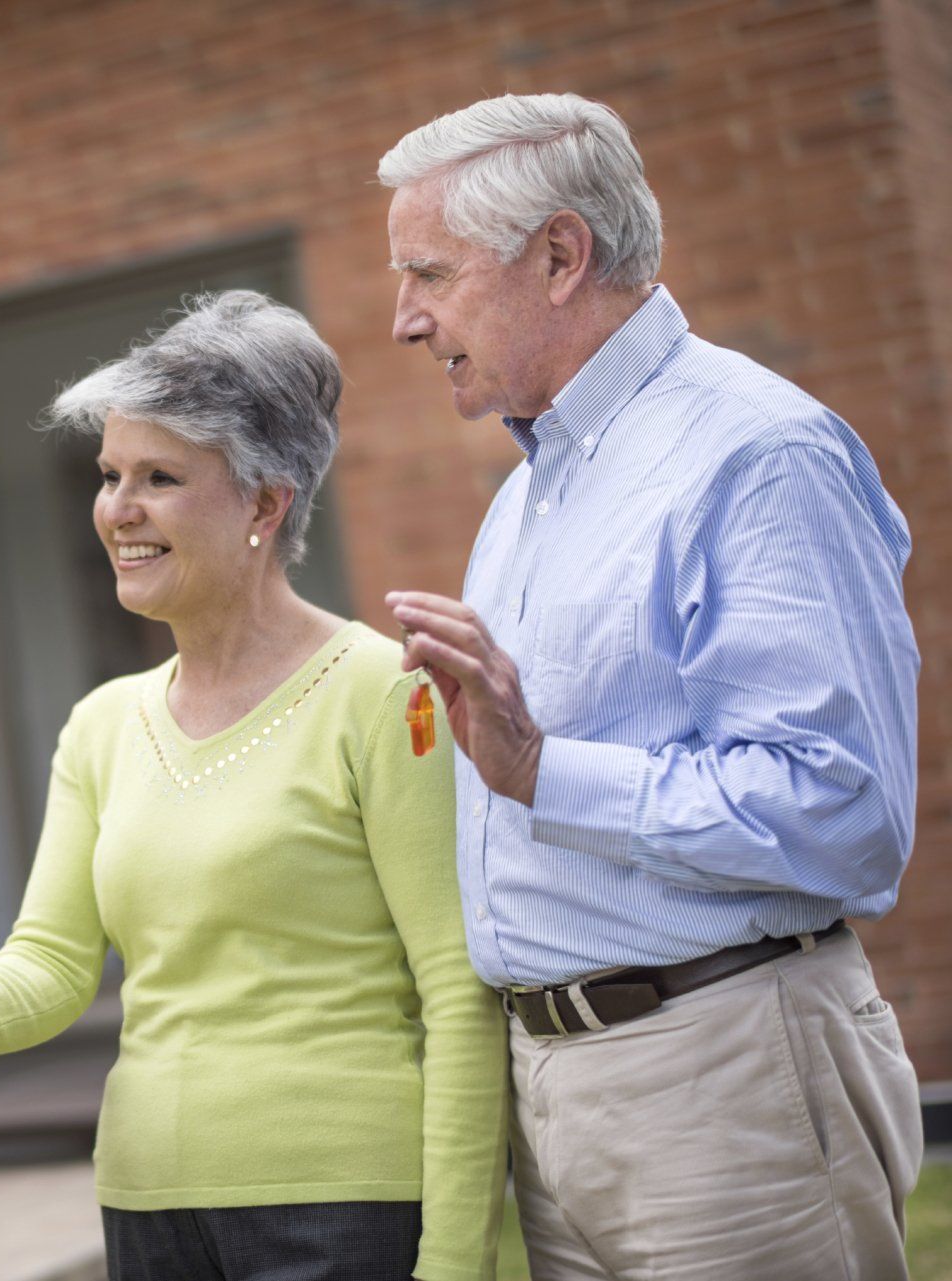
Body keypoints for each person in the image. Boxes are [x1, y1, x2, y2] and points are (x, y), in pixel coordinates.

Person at [0, 293, 508, 1281]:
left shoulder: (380, 690)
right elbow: (51, 968)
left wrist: (457, 1263)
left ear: (266, 504)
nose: (118, 509)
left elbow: (460, 993)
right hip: (148, 1206)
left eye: (160, 478)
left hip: (343, 1206)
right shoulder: (105, 724)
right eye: (109, 476)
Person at [379, 93, 923, 1279]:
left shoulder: (758, 454)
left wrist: (538, 769)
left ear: (561, 255)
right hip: (557, 1094)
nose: (403, 322)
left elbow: (844, 816)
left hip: (724, 1077)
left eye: (428, 273)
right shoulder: (526, 493)